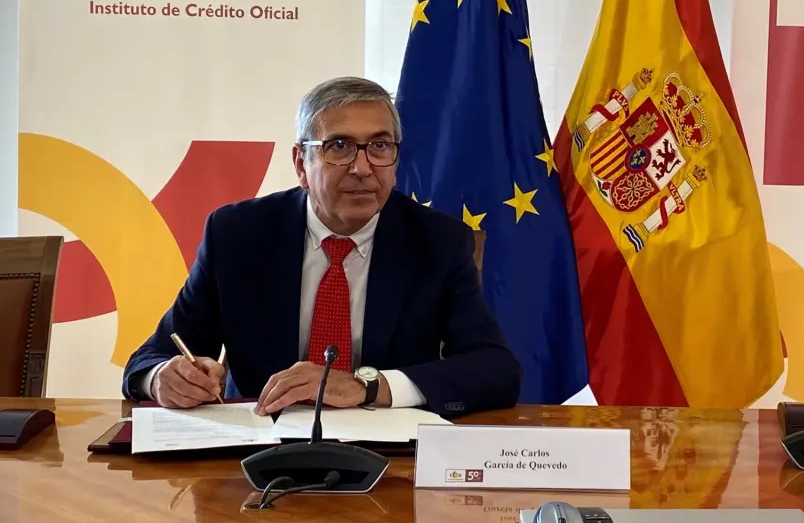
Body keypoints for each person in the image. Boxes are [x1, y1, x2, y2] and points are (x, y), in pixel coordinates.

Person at [122, 76, 522, 417]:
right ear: (301, 164)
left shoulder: (437, 240)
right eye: (339, 146)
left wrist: (368, 386)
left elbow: (496, 370)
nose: (362, 168)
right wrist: (162, 379)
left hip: (386, 452)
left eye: (380, 146)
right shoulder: (237, 234)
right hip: (257, 443)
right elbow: (151, 358)